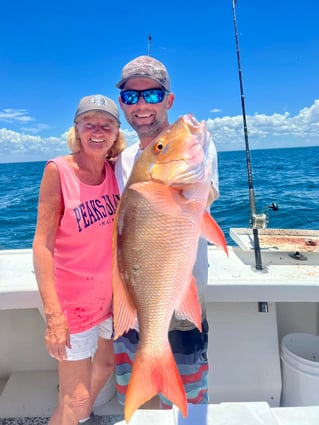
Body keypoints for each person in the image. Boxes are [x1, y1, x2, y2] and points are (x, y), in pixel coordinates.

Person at [113, 56, 219, 409]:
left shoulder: (197, 149)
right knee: (142, 408)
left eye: (152, 94)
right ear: (123, 106)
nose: (141, 105)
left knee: (189, 403)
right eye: (131, 97)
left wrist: (173, 176)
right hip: (136, 296)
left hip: (181, 298)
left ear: (168, 100)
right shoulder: (125, 160)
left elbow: (197, 203)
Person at [32, 94, 125, 425]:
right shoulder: (58, 171)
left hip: (110, 300)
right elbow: (42, 245)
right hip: (73, 308)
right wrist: (54, 316)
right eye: (90, 124)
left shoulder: (118, 171)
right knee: (77, 397)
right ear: (77, 129)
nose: (97, 131)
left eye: (106, 125)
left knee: (107, 366)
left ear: (116, 132)